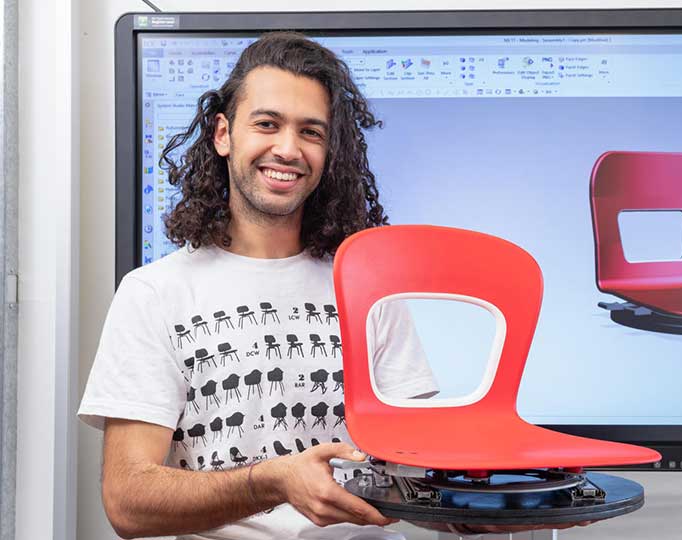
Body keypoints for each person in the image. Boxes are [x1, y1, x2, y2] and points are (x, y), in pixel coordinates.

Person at [78, 32, 439, 540]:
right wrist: (273, 482)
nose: (288, 149)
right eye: (267, 124)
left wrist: (503, 506)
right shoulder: (154, 294)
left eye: (310, 132)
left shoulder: (371, 290)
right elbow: (127, 501)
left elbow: (419, 470)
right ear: (223, 134)